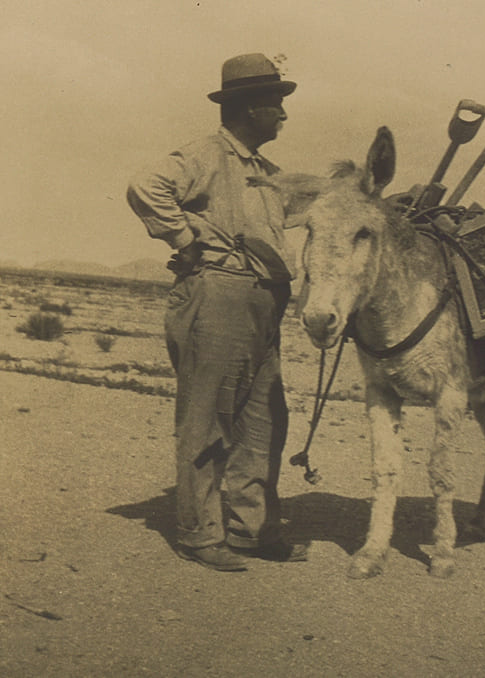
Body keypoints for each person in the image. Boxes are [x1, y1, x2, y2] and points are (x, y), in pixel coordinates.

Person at [127, 53, 307, 571]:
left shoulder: (266, 172)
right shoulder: (206, 154)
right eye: (276, 105)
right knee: (208, 419)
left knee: (264, 420)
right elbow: (146, 186)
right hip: (219, 296)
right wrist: (184, 239)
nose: (283, 115)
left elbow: (304, 210)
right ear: (251, 108)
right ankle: (200, 534)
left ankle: (251, 531)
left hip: (261, 304)